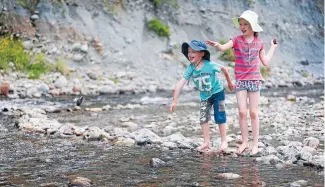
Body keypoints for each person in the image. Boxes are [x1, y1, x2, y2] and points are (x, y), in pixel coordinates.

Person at [206, 10, 278, 155]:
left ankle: (255, 143)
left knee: (253, 112)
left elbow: (265, 62)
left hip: (255, 80)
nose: (242, 27)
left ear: (253, 26)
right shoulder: (237, 40)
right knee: (242, 112)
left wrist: (273, 47)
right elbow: (223, 47)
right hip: (241, 80)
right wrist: (217, 45)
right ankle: (245, 142)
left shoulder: (259, 43)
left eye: (245, 24)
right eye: (241, 24)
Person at [169, 40, 234, 153]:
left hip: (218, 92)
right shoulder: (191, 68)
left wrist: (229, 83)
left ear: (202, 53)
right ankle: (206, 142)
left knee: (220, 116)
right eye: (189, 51)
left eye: (193, 51)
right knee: (203, 118)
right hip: (204, 96)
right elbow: (180, 83)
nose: (190, 54)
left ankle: (224, 141)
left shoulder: (210, 65)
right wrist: (174, 101)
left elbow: (224, 69)